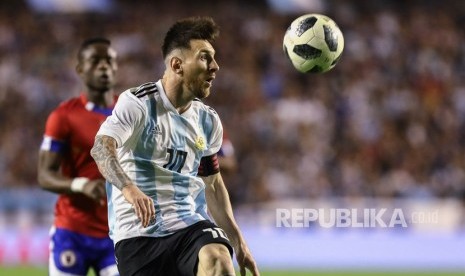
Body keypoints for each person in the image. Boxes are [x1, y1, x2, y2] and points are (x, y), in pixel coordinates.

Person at [90, 16, 259, 276]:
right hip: (138, 235)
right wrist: (129, 189)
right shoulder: (138, 104)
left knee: (217, 258)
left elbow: (212, 184)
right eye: (205, 57)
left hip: (189, 227)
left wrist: (239, 242)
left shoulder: (208, 119)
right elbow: (101, 148)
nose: (215, 66)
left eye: (213, 58)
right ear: (177, 65)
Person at [37, 37, 119, 276]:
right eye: (95, 61)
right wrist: (81, 185)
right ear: (80, 70)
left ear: (116, 67)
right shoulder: (64, 116)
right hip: (72, 231)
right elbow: (44, 175)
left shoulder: (130, 114)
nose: (104, 66)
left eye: (109, 61)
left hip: (118, 232)